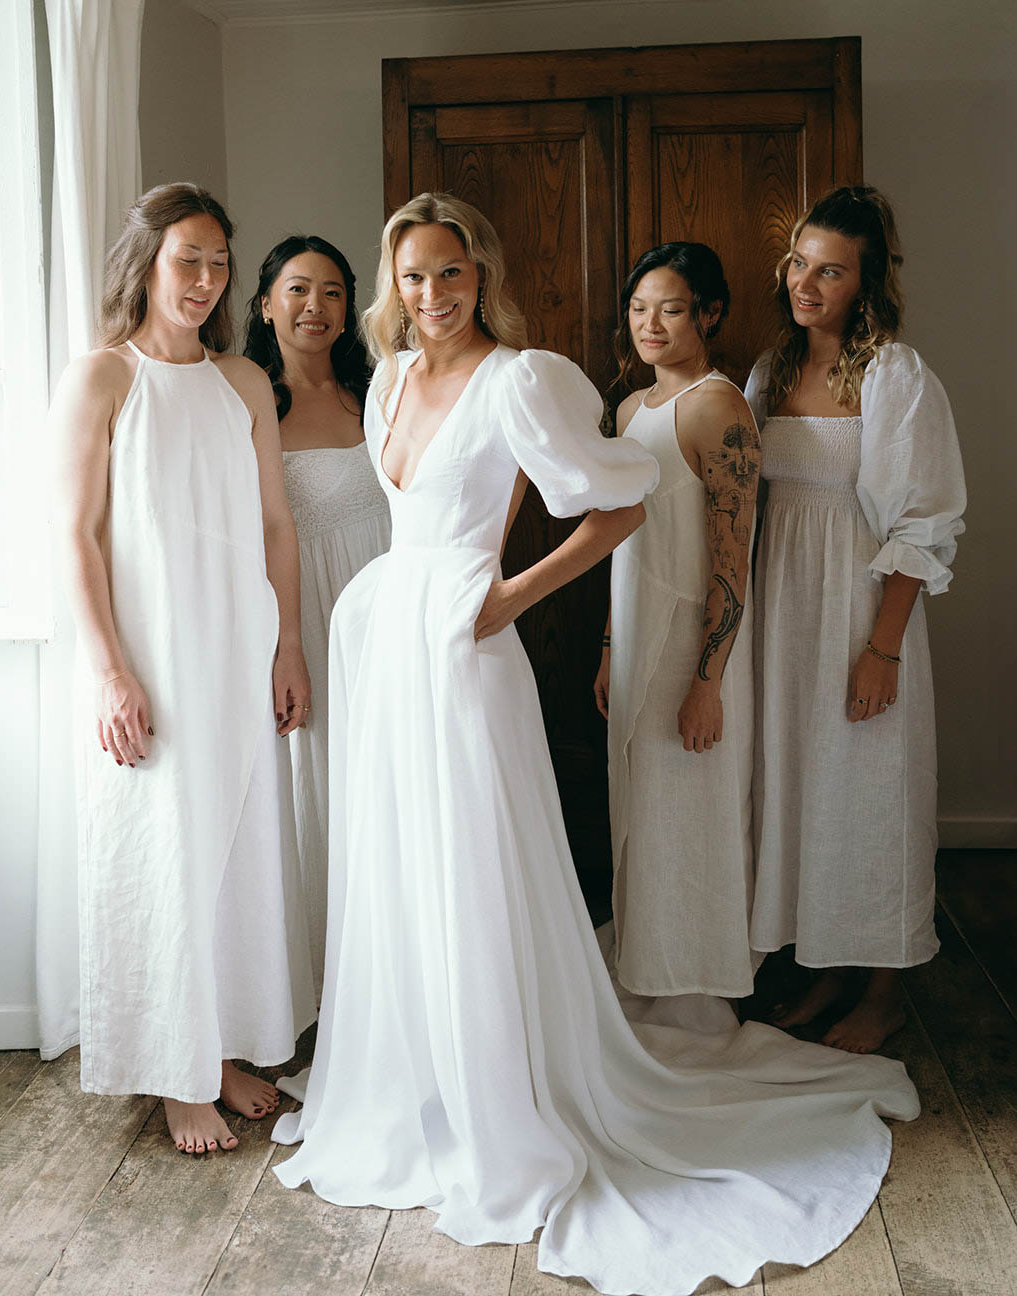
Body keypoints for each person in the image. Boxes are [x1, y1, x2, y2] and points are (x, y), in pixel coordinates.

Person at [270, 191, 918, 1296]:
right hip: (381, 642)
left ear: (482, 272)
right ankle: (415, 1076)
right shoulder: (384, 376)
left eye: (452, 272)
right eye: (414, 276)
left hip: (463, 648)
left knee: (473, 870)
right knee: (400, 867)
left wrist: (504, 596)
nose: (432, 295)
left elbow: (613, 506)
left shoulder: (520, 379)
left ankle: (503, 1092)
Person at [49, 183, 313, 1155]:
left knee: (233, 851)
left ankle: (222, 1047)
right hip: (151, 656)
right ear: (148, 264)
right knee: (161, 853)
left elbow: (277, 526)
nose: (204, 281)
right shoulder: (102, 379)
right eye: (186, 260)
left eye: (217, 263)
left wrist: (287, 644)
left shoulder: (243, 382)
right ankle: (171, 1070)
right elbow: (74, 535)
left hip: (236, 647)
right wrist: (110, 672)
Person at [746, 185, 966, 1054]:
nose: (806, 282)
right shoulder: (768, 372)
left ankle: (882, 990)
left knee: (871, 794)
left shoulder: (894, 375)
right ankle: (826, 967)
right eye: (798, 262)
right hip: (782, 612)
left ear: (864, 283)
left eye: (829, 270)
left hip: (858, 612)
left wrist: (882, 649)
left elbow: (925, 521)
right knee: (803, 790)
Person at [596, 244, 759, 1021]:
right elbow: (618, 538)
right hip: (634, 636)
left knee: (687, 814)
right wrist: (605, 647)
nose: (648, 324)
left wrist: (707, 683)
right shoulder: (631, 411)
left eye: (668, 308)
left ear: (708, 314)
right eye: (637, 309)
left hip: (692, 646)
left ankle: (691, 987)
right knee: (637, 812)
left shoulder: (717, 407)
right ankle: (645, 961)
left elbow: (733, 561)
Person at [244, 236, 390, 1009]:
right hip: (309, 620)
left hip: (388, 610)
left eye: (332, 292)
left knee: (391, 788)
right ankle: (330, 990)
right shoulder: (247, 402)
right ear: (265, 304)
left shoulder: (381, 392)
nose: (315, 307)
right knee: (324, 792)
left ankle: (394, 973)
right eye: (297, 290)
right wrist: (282, 646)